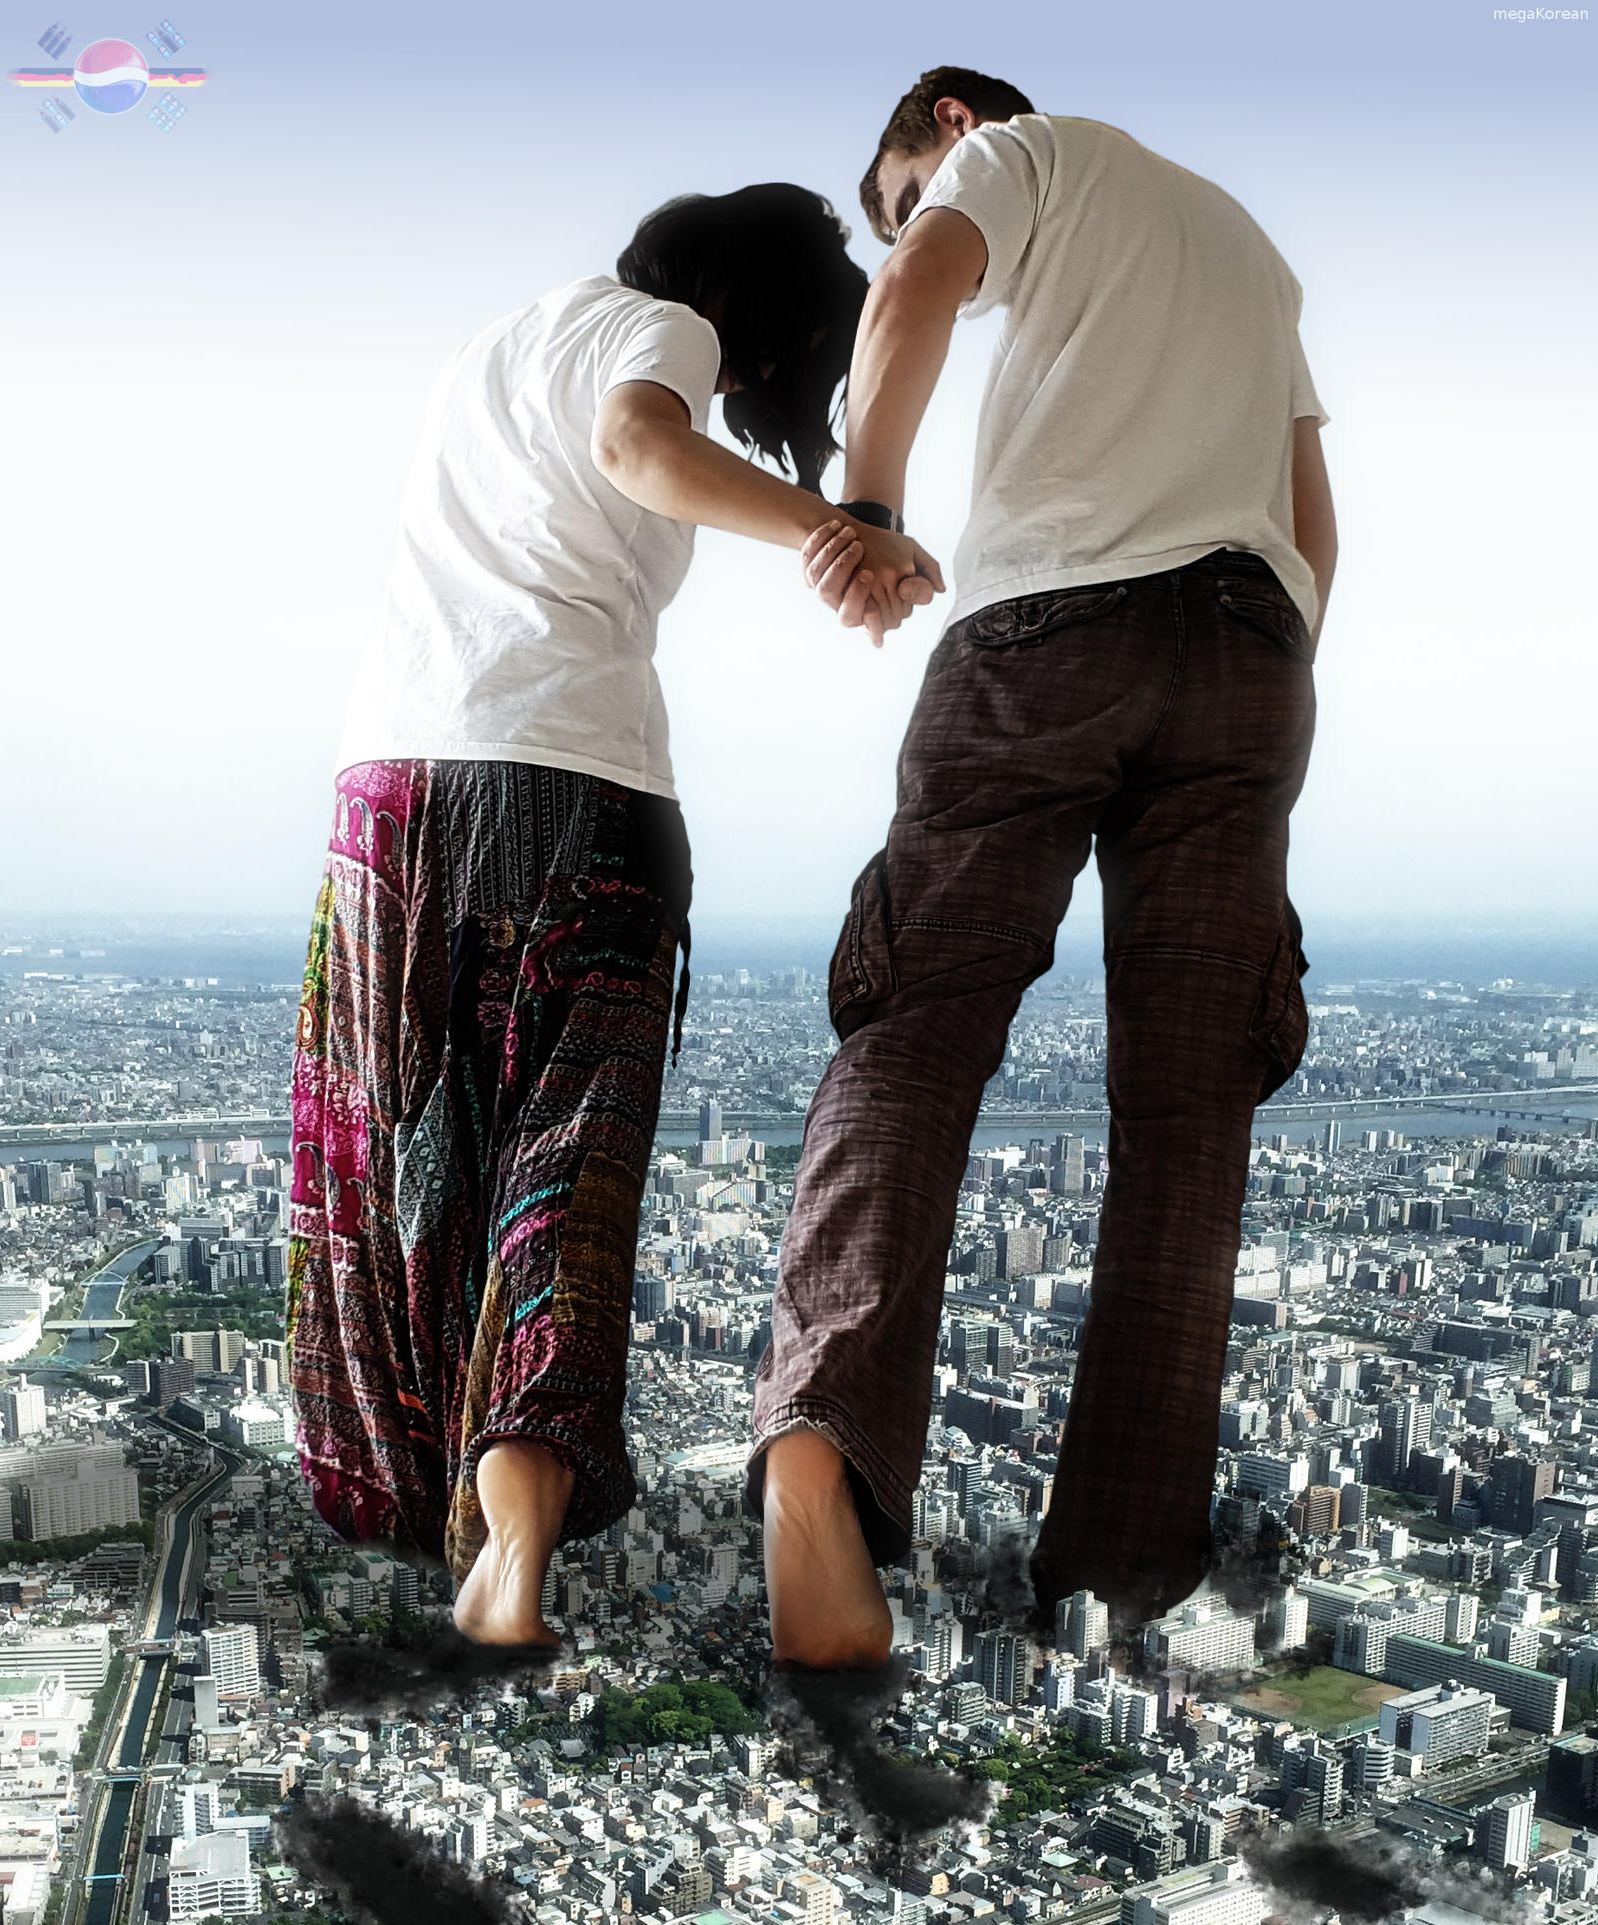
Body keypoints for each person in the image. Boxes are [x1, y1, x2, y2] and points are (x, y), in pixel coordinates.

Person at [286, 183, 939, 1648]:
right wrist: (836, 534)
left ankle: (436, 1512)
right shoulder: (661, 333)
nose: (769, 394)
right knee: (565, 1171)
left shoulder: (490, 348)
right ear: (760, 324)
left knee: (409, 1152)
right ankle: (513, 1535)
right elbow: (639, 445)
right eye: (788, 368)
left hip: (388, 796)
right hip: (573, 791)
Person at [749, 68, 1338, 1666]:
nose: (912, 229)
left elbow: (921, 292)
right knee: (1189, 1108)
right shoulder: (1243, 239)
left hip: (1043, 632)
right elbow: (1312, 519)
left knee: (920, 1027)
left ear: (943, 123)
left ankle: (820, 1459)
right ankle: (1125, 1573)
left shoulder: (1011, 154)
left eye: (898, 195)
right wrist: (1268, 687)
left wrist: (867, 505)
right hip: (1248, 657)